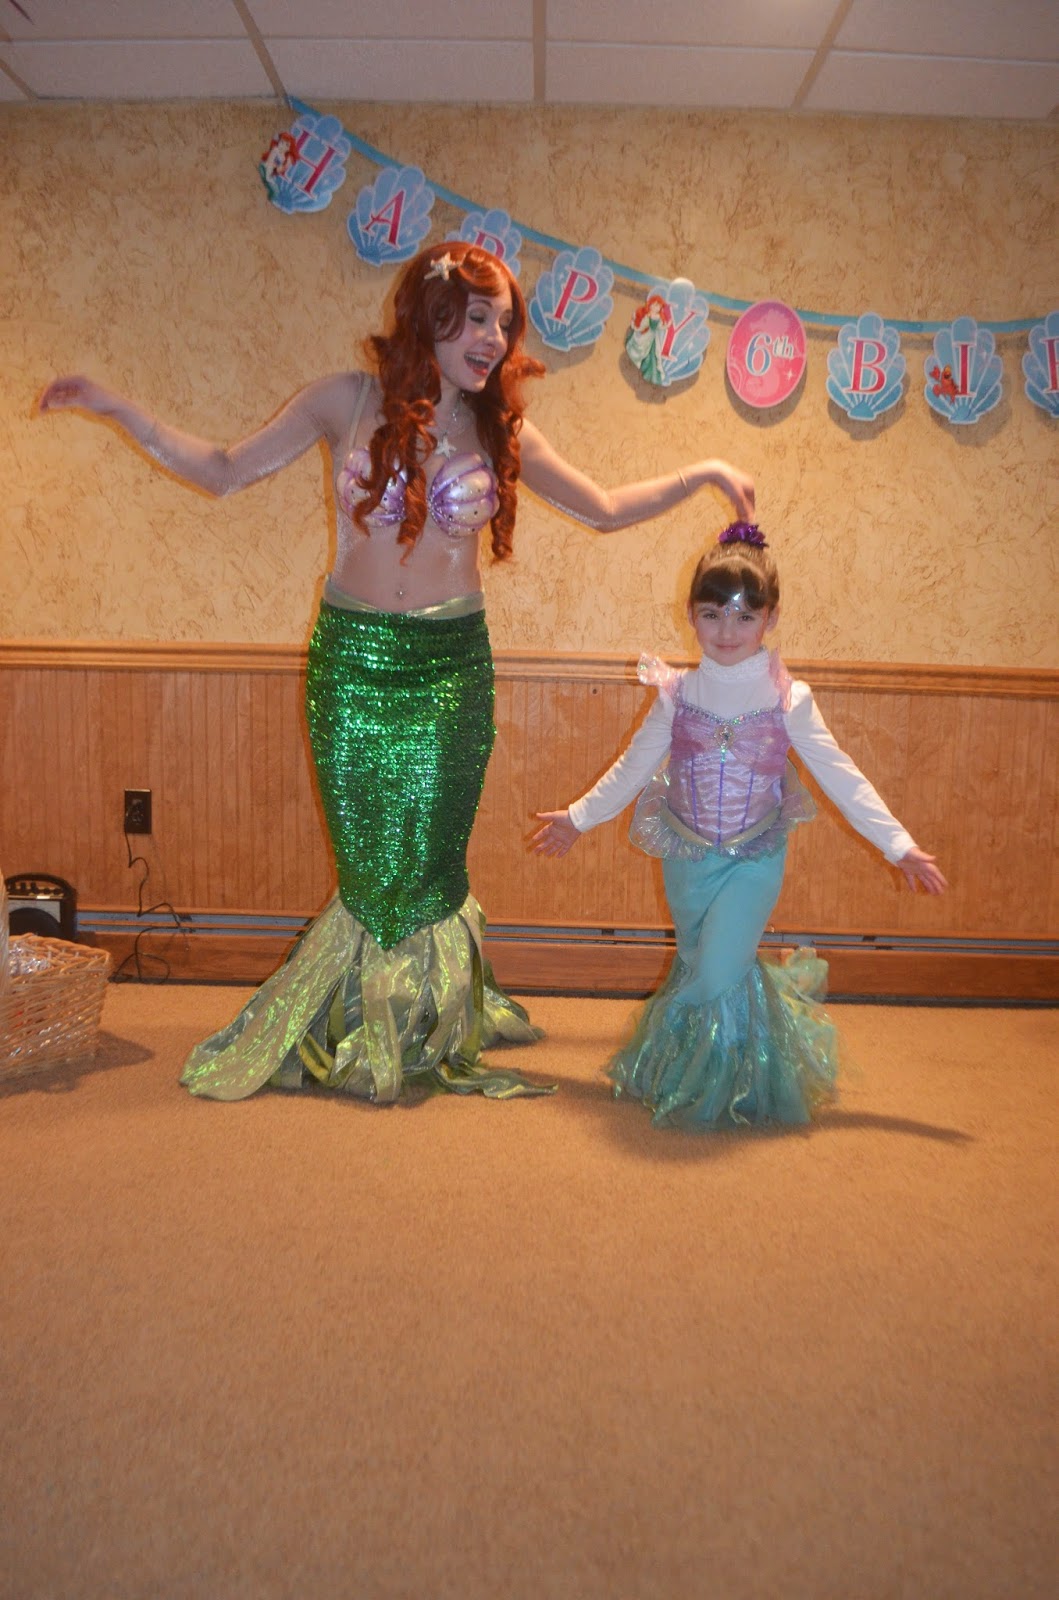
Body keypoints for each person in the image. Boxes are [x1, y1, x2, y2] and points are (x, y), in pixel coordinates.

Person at [39, 241, 756, 1105]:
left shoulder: (499, 429)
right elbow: (225, 471)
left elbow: (602, 509)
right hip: (351, 666)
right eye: (476, 318)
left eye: (503, 323)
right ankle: (359, 1025)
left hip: (452, 670)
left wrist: (703, 471)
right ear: (428, 316)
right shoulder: (344, 401)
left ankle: (427, 1026)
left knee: (432, 862)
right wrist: (119, 408)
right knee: (370, 866)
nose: (492, 338)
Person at [532, 521, 947, 1130]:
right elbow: (633, 767)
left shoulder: (789, 699)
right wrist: (578, 818)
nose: (727, 631)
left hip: (754, 859)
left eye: (744, 617)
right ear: (691, 616)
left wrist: (898, 845)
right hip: (686, 858)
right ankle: (732, 1073)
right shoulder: (675, 695)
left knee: (718, 968)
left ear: (770, 619)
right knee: (699, 959)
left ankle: (706, 1079)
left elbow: (842, 775)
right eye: (712, 614)